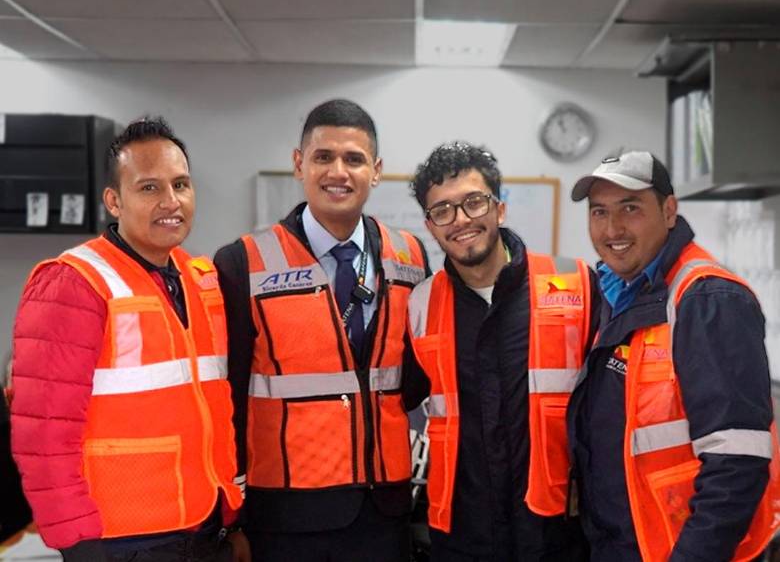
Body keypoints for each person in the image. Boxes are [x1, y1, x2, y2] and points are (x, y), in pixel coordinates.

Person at [10, 118, 246, 562]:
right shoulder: (74, 282)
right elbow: (41, 432)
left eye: (181, 184)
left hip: (204, 526)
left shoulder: (201, 280)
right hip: (120, 539)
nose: (171, 201)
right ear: (114, 201)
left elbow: (212, 407)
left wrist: (232, 513)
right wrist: (78, 543)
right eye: (149, 188)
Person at [214, 99, 429, 562]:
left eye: (354, 159)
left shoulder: (410, 256)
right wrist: (229, 517)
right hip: (286, 516)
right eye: (323, 157)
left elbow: (413, 382)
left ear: (376, 171)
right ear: (298, 164)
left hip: (385, 509)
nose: (339, 171)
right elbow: (225, 400)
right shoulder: (242, 263)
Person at [567, 150, 780, 561]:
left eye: (630, 208)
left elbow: (738, 460)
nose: (613, 228)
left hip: (674, 549)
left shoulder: (708, 298)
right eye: (599, 212)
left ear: (668, 211)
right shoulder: (615, 292)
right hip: (619, 542)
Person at [405, 141, 599, 561]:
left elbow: (608, 406)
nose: (460, 221)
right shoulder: (420, 304)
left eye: (474, 202)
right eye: (443, 211)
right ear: (430, 224)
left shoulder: (576, 283)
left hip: (554, 527)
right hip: (462, 530)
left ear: (499, 207)